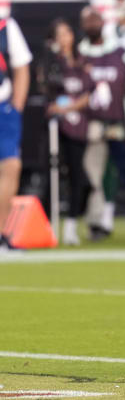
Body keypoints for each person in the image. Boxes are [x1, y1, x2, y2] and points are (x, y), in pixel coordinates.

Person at [79, 6, 125, 242]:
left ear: (102, 22)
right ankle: (97, 224)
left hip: (121, 123)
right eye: (87, 20)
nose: (92, 24)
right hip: (91, 126)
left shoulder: (121, 53)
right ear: (82, 26)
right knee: (94, 177)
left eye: (95, 19)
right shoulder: (79, 55)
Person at [40, 19, 93, 246]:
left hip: (77, 126)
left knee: (78, 178)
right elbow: (45, 87)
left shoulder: (82, 63)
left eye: (67, 33)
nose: (64, 38)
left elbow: (89, 93)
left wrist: (70, 107)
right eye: (59, 34)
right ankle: (46, 225)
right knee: (51, 175)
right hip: (56, 127)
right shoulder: (51, 62)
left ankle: (71, 226)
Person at [0, 13, 31, 251]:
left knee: (11, 167)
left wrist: (16, 106)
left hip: (3, 109)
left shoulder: (5, 26)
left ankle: (1, 233)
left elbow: (22, 67)